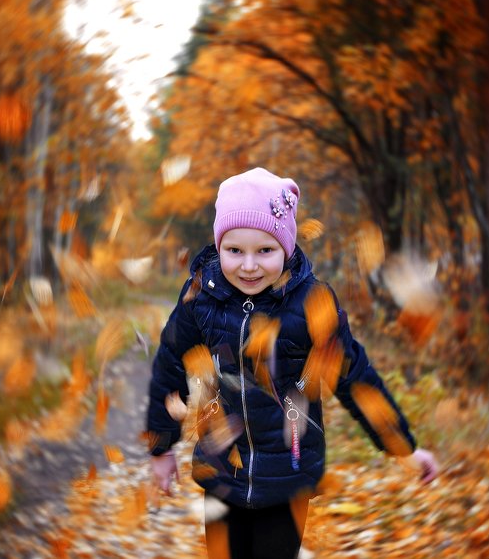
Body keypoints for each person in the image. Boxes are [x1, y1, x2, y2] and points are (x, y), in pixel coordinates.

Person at [145, 167, 439, 558]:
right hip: (221, 470)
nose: (249, 266)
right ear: (219, 248)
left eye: (264, 250)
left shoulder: (312, 303)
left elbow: (354, 376)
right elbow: (171, 362)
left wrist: (403, 446)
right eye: (235, 251)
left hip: (287, 476)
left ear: (285, 247)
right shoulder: (202, 295)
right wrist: (162, 447)